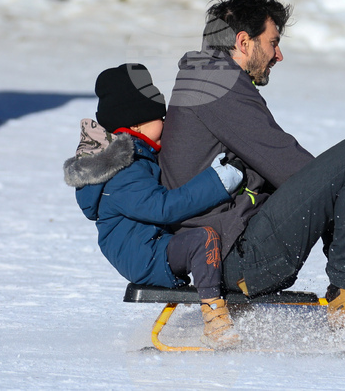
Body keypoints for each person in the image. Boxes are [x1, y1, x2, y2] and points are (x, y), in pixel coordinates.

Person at [159, 0, 345, 331]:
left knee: (341, 167)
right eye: (273, 42)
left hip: (223, 254)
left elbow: (292, 178)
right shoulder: (216, 84)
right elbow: (289, 167)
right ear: (243, 42)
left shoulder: (208, 80)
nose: (278, 55)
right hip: (237, 259)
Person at [63, 64, 246, 349]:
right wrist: (216, 182)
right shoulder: (123, 173)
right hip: (144, 255)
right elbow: (163, 207)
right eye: (159, 116)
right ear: (135, 125)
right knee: (203, 239)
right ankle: (216, 320)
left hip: (151, 244)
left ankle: (225, 304)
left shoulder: (139, 157)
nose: (166, 121)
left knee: (209, 235)